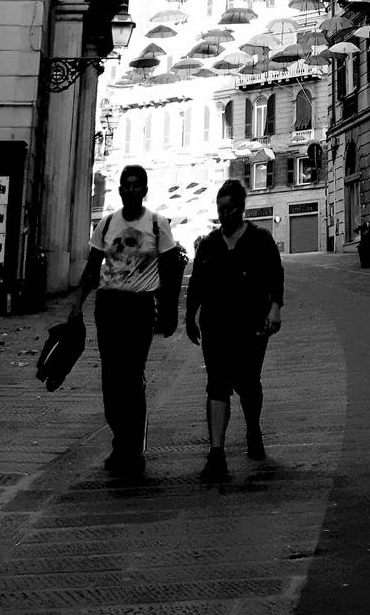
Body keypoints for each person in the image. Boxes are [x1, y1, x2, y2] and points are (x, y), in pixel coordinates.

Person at [66, 164, 177, 478]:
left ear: (144, 189)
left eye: (136, 185)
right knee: (111, 381)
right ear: (119, 189)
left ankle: (132, 449)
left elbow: (169, 273)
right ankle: (120, 440)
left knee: (131, 378)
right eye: (125, 185)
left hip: (139, 308)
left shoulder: (157, 225)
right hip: (109, 305)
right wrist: (78, 304)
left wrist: (169, 313)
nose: (130, 190)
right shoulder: (106, 224)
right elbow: (91, 269)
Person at [185, 179, 283, 481]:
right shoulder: (210, 244)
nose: (224, 215)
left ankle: (253, 429)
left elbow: (275, 276)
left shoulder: (260, 240)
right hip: (215, 326)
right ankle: (217, 455)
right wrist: (189, 317)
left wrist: (275, 308)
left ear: (241, 209)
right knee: (217, 385)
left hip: (251, 326)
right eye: (220, 210)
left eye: (230, 210)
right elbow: (197, 284)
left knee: (248, 383)